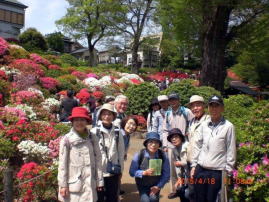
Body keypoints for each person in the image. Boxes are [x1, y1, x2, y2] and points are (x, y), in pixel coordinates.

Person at [190, 95, 236, 202]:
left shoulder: (228, 126)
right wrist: (193, 166)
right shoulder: (204, 125)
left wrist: (228, 172)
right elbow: (197, 146)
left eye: (217, 106)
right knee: (198, 198)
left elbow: (231, 150)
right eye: (211, 106)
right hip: (200, 169)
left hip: (216, 172)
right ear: (208, 108)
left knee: (211, 199)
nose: (214, 109)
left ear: (222, 108)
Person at [58, 107, 103, 202]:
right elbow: (62, 165)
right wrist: (63, 185)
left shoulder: (92, 137)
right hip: (75, 184)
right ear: (72, 122)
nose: (79, 122)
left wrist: (100, 181)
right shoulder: (67, 140)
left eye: (82, 119)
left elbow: (98, 159)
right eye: (76, 120)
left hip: (90, 183)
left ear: (86, 121)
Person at [162, 92, 194, 199]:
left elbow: (192, 124)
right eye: (171, 100)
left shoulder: (186, 111)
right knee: (173, 168)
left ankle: (187, 187)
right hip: (172, 145)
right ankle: (175, 189)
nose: (173, 102)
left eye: (174, 99)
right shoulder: (167, 114)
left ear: (179, 100)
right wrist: (165, 145)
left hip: (184, 145)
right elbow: (165, 129)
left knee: (186, 166)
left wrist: (189, 137)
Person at [91, 103, 125, 202]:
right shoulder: (94, 132)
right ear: (100, 116)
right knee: (99, 198)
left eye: (109, 114)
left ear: (113, 116)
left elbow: (121, 152)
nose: (107, 116)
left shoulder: (118, 132)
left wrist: (120, 170)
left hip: (113, 171)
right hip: (99, 172)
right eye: (104, 114)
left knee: (112, 197)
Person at [129, 132, 170, 202]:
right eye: (151, 142)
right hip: (142, 184)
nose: (153, 145)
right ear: (146, 143)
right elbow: (132, 172)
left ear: (159, 144)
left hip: (156, 184)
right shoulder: (139, 154)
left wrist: (158, 186)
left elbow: (166, 174)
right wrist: (143, 173)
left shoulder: (163, 156)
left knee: (153, 199)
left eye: (156, 142)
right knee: (145, 200)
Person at [186, 95, 210, 202]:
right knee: (191, 191)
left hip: (201, 163)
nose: (195, 108)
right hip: (190, 160)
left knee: (200, 191)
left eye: (198, 105)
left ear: (204, 106)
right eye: (193, 106)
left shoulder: (209, 121)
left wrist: (195, 165)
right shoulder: (192, 121)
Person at [167, 128, 189, 202]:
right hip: (183, 176)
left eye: (176, 137)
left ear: (181, 138)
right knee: (180, 191)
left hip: (192, 176)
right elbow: (177, 167)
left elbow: (193, 162)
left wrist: (182, 163)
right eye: (172, 138)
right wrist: (179, 179)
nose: (173, 139)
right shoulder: (174, 150)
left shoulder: (188, 146)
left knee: (187, 194)